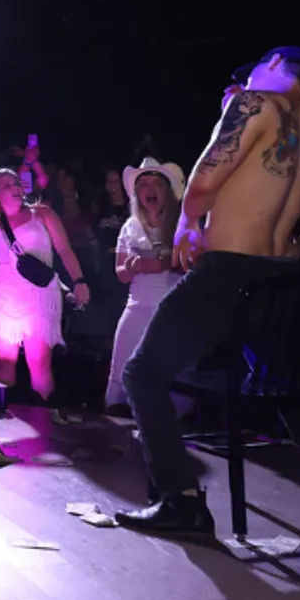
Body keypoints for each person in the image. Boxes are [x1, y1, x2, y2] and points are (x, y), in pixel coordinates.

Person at [114, 47, 300, 534]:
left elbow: (205, 181)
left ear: (270, 66)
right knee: (276, 377)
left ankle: (182, 500)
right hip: (277, 273)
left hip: (228, 269)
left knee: (141, 373)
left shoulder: (252, 102)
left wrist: (187, 224)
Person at [0, 170, 89, 401]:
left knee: (39, 361)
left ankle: (46, 418)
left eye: (16, 183)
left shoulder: (42, 214)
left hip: (38, 293)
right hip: (5, 296)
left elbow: (64, 250)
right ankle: (6, 419)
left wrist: (79, 281)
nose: (15, 188)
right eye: (7, 185)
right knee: (4, 364)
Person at [107, 159, 184, 415]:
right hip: (137, 305)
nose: (149, 189)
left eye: (156, 183)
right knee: (121, 367)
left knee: (170, 371)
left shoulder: (181, 223)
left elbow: (193, 264)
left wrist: (160, 263)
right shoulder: (130, 226)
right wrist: (133, 267)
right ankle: (118, 420)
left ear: (166, 191)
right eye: (143, 184)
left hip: (171, 309)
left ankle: (172, 424)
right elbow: (120, 273)